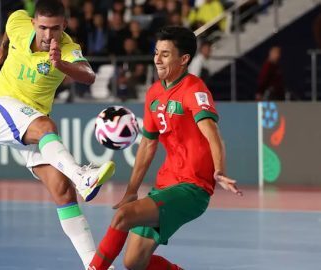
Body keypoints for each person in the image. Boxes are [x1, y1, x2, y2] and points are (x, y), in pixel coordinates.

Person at [88, 26, 242, 270]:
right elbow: (149, 144)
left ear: (184, 59)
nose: (157, 59)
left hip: (192, 188)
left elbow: (212, 134)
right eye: (156, 52)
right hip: (165, 184)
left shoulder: (195, 90)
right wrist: (131, 190)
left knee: (122, 217)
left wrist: (219, 170)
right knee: (134, 262)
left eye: (165, 54)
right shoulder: (154, 93)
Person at [0, 1, 115, 269]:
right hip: (1, 108)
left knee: (63, 191)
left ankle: (94, 265)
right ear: (34, 23)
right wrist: (1, 50)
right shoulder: (20, 24)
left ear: (64, 26)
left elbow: (89, 76)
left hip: (29, 121)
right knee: (46, 127)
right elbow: (12, 22)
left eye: (55, 29)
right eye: (43, 27)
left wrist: (60, 64)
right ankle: (82, 176)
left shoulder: (68, 49)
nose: (48, 35)